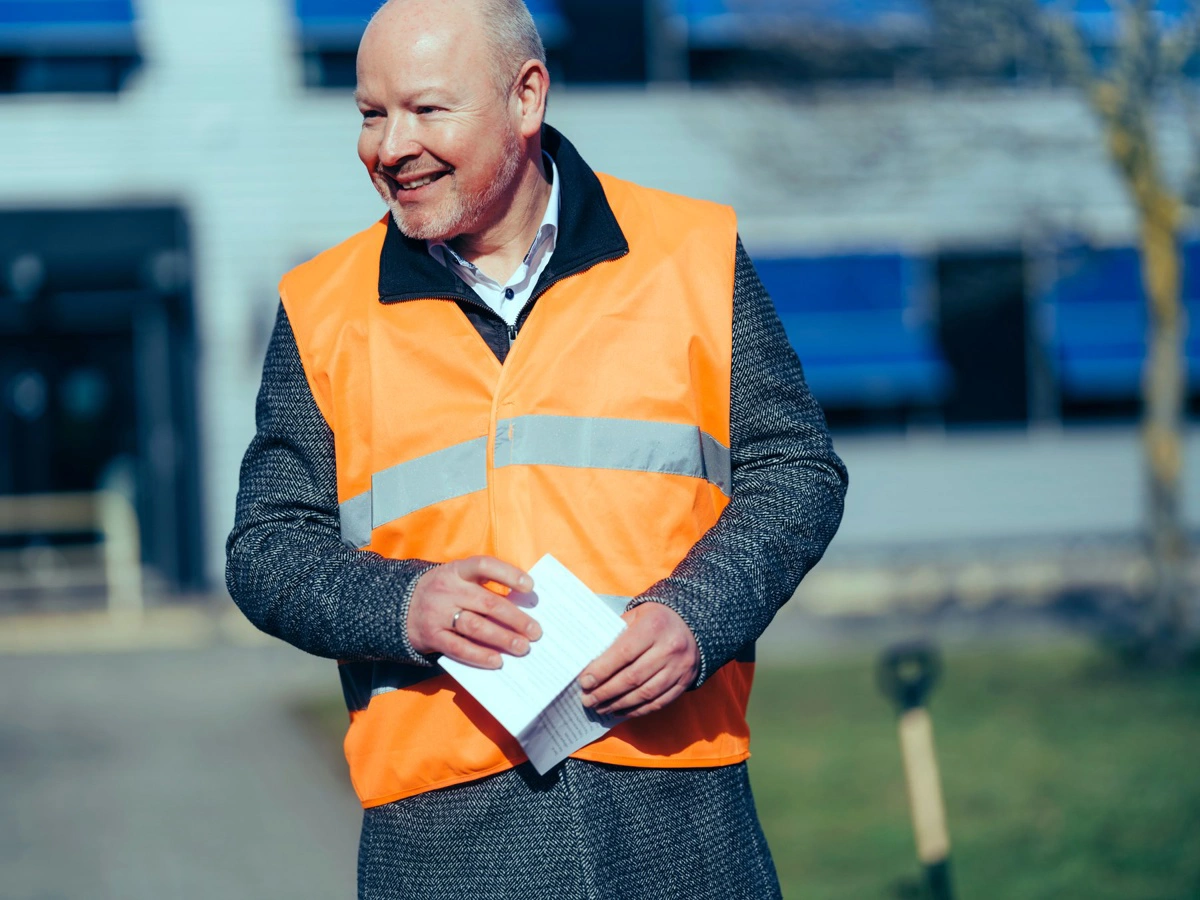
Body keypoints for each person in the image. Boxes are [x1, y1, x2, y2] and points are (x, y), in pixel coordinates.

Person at [226, 0, 848, 897]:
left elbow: (796, 470)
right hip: (442, 845)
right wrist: (403, 604)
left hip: (682, 823)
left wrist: (698, 617)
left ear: (525, 98)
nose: (389, 146)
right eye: (370, 113)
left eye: (427, 109)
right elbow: (266, 549)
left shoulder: (691, 255)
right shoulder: (322, 310)